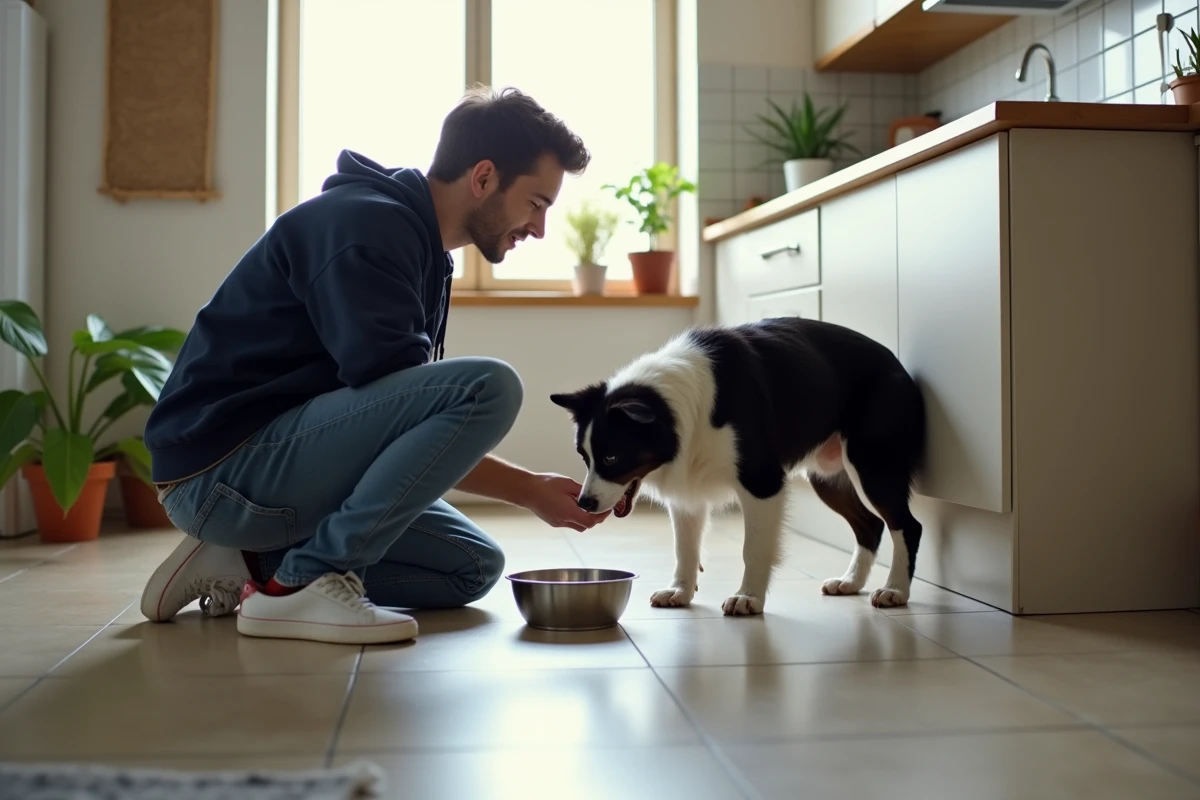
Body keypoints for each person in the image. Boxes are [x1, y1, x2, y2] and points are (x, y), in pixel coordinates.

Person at [139, 86, 607, 645]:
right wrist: (525, 489)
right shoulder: (368, 230)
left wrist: (528, 488)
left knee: (470, 566)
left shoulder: (421, 248)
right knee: (491, 386)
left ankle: (249, 560)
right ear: (483, 178)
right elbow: (419, 411)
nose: (539, 228)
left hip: (269, 472)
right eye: (536, 203)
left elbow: (407, 429)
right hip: (221, 473)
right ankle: (301, 586)